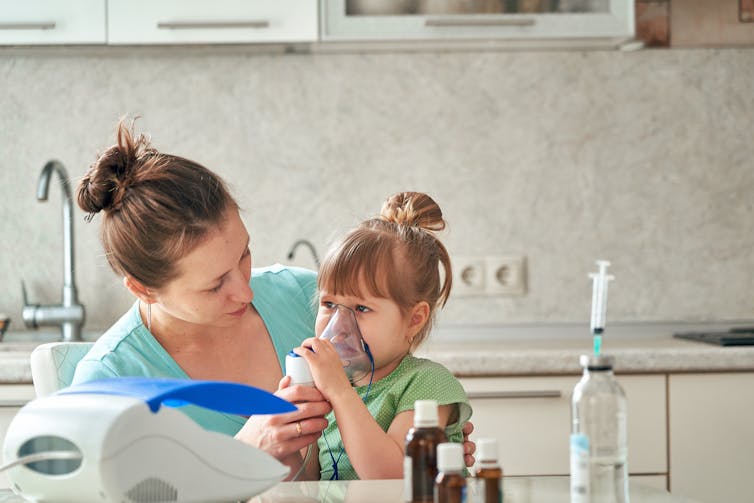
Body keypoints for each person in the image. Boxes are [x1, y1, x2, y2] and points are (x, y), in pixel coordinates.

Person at [71, 120, 476, 478]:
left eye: (244, 255)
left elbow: (396, 406)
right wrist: (241, 455)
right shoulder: (109, 384)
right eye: (215, 285)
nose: (246, 292)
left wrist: (428, 448)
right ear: (144, 288)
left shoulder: (304, 296)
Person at [292, 191, 472, 480]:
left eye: (361, 308)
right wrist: (295, 425)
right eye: (329, 305)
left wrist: (340, 393)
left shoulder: (427, 385)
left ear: (414, 320)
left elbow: (393, 479)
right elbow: (308, 484)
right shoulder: (327, 388)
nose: (339, 324)